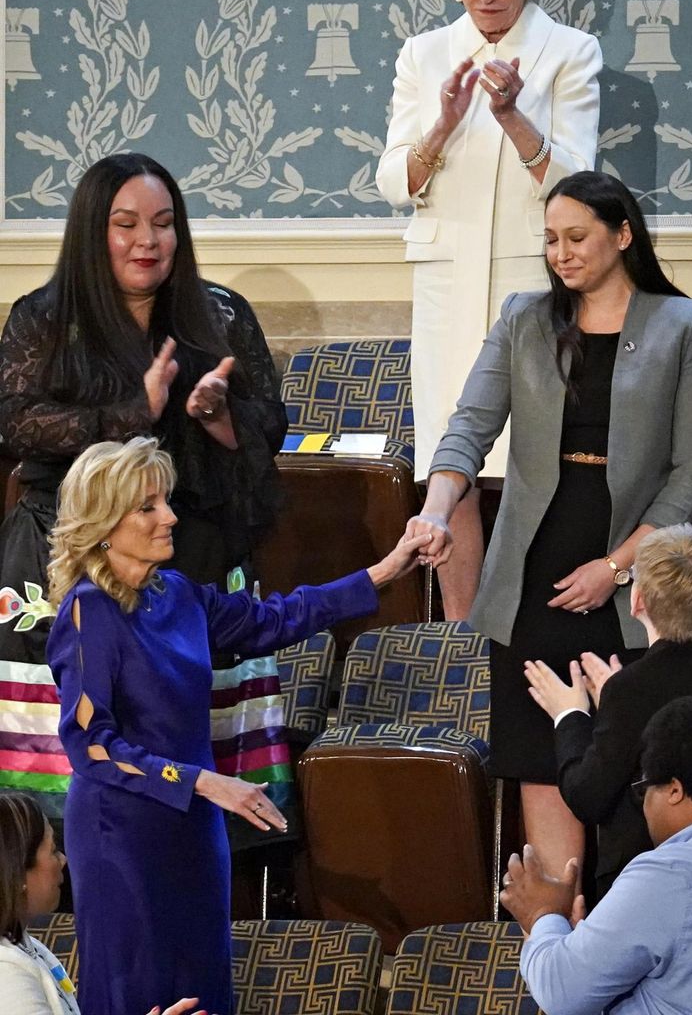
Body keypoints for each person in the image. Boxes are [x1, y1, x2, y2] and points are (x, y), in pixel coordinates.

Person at [44, 436, 430, 1015]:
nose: (169, 516)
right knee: (141, 988)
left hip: (195, 827)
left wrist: (381, 572)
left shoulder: (175, 593)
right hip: (122, 836)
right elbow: (90, 746)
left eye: (165, 500)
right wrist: (204, 782)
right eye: (148, 506)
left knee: (204, 981)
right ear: (104, 522)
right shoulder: (88, 611)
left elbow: (274, 619)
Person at [407, 170, 692, 879]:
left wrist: (617, 567)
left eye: (576, 237)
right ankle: (555, 948)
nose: (561, 253)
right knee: (541, 760)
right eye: (550, 239)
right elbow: (467, 431)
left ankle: (623, 949)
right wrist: (436, 509)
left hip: (639, 579)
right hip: (534, 575)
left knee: (631, 771)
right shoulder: (524, 317)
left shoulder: (681, 325)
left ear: (623, 235)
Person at [0, 152, 287, 826]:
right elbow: (13, 425)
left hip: (187, 550)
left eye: (162, 223)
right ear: (92, 231)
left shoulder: (222, 313)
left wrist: (217, 412)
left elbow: (269, 425)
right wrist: (134, 412)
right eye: (125, 223)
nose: (146, 241)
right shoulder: (44, 318)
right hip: (67, 562)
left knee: (191, 775)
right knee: (72, 785)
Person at [376, 0, 602, 620]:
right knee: (453, 459)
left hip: (535, 282)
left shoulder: (569, 52)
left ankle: (540, 628)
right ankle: (465, 638)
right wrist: (439, 128)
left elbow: (578, 185)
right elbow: (392, 182)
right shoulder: (425, 55)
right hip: (446, 286)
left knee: (535, 458)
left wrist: (512, 116)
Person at [524, 523, 692, 898]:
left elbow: (588, 796)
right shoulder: (629, 688)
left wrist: (570, 716)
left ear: (637, 600)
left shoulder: (630, 690)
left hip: (642, 886)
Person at [501, 695, 692, 1015]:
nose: (644, 808)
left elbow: (562, 993)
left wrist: (542, 916)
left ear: (674, 790)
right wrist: (586, 946)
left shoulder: (669, 874)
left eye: (644, 789)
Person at [0, 793, 211, 1015]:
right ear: (19, 872)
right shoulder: (8, 974)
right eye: (53, 850)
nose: (63, 860)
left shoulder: (28, 947)